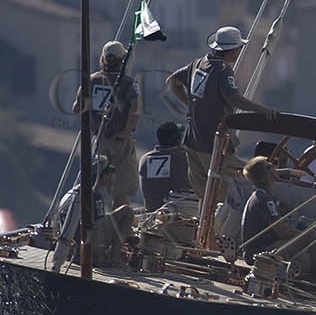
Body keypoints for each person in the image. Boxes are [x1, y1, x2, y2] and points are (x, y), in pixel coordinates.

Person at [167, 26, 278, 195]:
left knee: (203, 193)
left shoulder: (198, 63)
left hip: (192, 141)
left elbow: (172, 81)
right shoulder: (223, 71)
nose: (240, 52)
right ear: (232, 51)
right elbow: (234, 99)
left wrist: (191, 105)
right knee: (230, 188)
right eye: (239, 48)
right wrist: (262, 110)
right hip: (214, 144)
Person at [239, 155, 316, 286]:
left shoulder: (261, 195)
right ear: (266, 174)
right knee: (311, 237)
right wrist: (307, 234)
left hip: (258, 248)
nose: (275, 167)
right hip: (259, 253)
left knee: (308, 232)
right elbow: (282, 232)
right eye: (270, 166)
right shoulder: (265, 199)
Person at [77, 40, 141, 209]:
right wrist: (125, 132)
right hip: (120, 141)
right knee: (120, 191)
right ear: (122, 60)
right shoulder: (128, 83)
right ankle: (120, 223)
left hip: (99, 140)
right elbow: (135, 110)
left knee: (98, 184)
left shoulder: (90, 81)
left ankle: (96, 217)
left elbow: (77, 108)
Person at [50, 155, 133, 268]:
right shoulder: (94, 196)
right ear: (101, 176)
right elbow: (98, 231)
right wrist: (99, 256)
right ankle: (115, 258)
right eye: (107, 174)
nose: (109, 177)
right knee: (127, 211)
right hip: (88, 248)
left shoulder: (70, 193)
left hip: (72, 246)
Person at [138, 120, 187, 208]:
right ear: (178, 140)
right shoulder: (183, 157)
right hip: (180, 209)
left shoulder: (144, 159)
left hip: (152, 210)